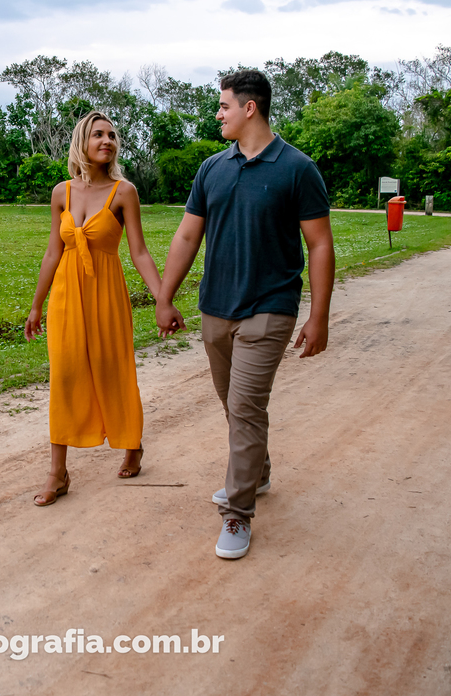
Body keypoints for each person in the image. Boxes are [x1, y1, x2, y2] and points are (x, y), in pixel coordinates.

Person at [155, 70, 334, 560]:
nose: (218, 114)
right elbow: (188, 236)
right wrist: (165, 296)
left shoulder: (297, 168)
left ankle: (237, 512)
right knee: (235, 407)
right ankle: (258, 472)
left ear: (249, 108)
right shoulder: (212, 168)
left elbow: (319, 245)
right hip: (216, 308)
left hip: (269, 309)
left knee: (247, 407)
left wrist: (318, 317)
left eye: (224, 106)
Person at [25, 111, 163, 506]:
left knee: (112, 367)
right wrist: (36, 305)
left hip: (106, 293)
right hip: (66, 296)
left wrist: (161, 298)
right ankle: (58, 471)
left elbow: (139, 252)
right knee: (65, 375)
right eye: (98, 134)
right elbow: (53, 252)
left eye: (113, 135)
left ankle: (131, 443)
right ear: (82, 141)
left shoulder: (124, 192)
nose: (108, 141)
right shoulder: (61, 192)